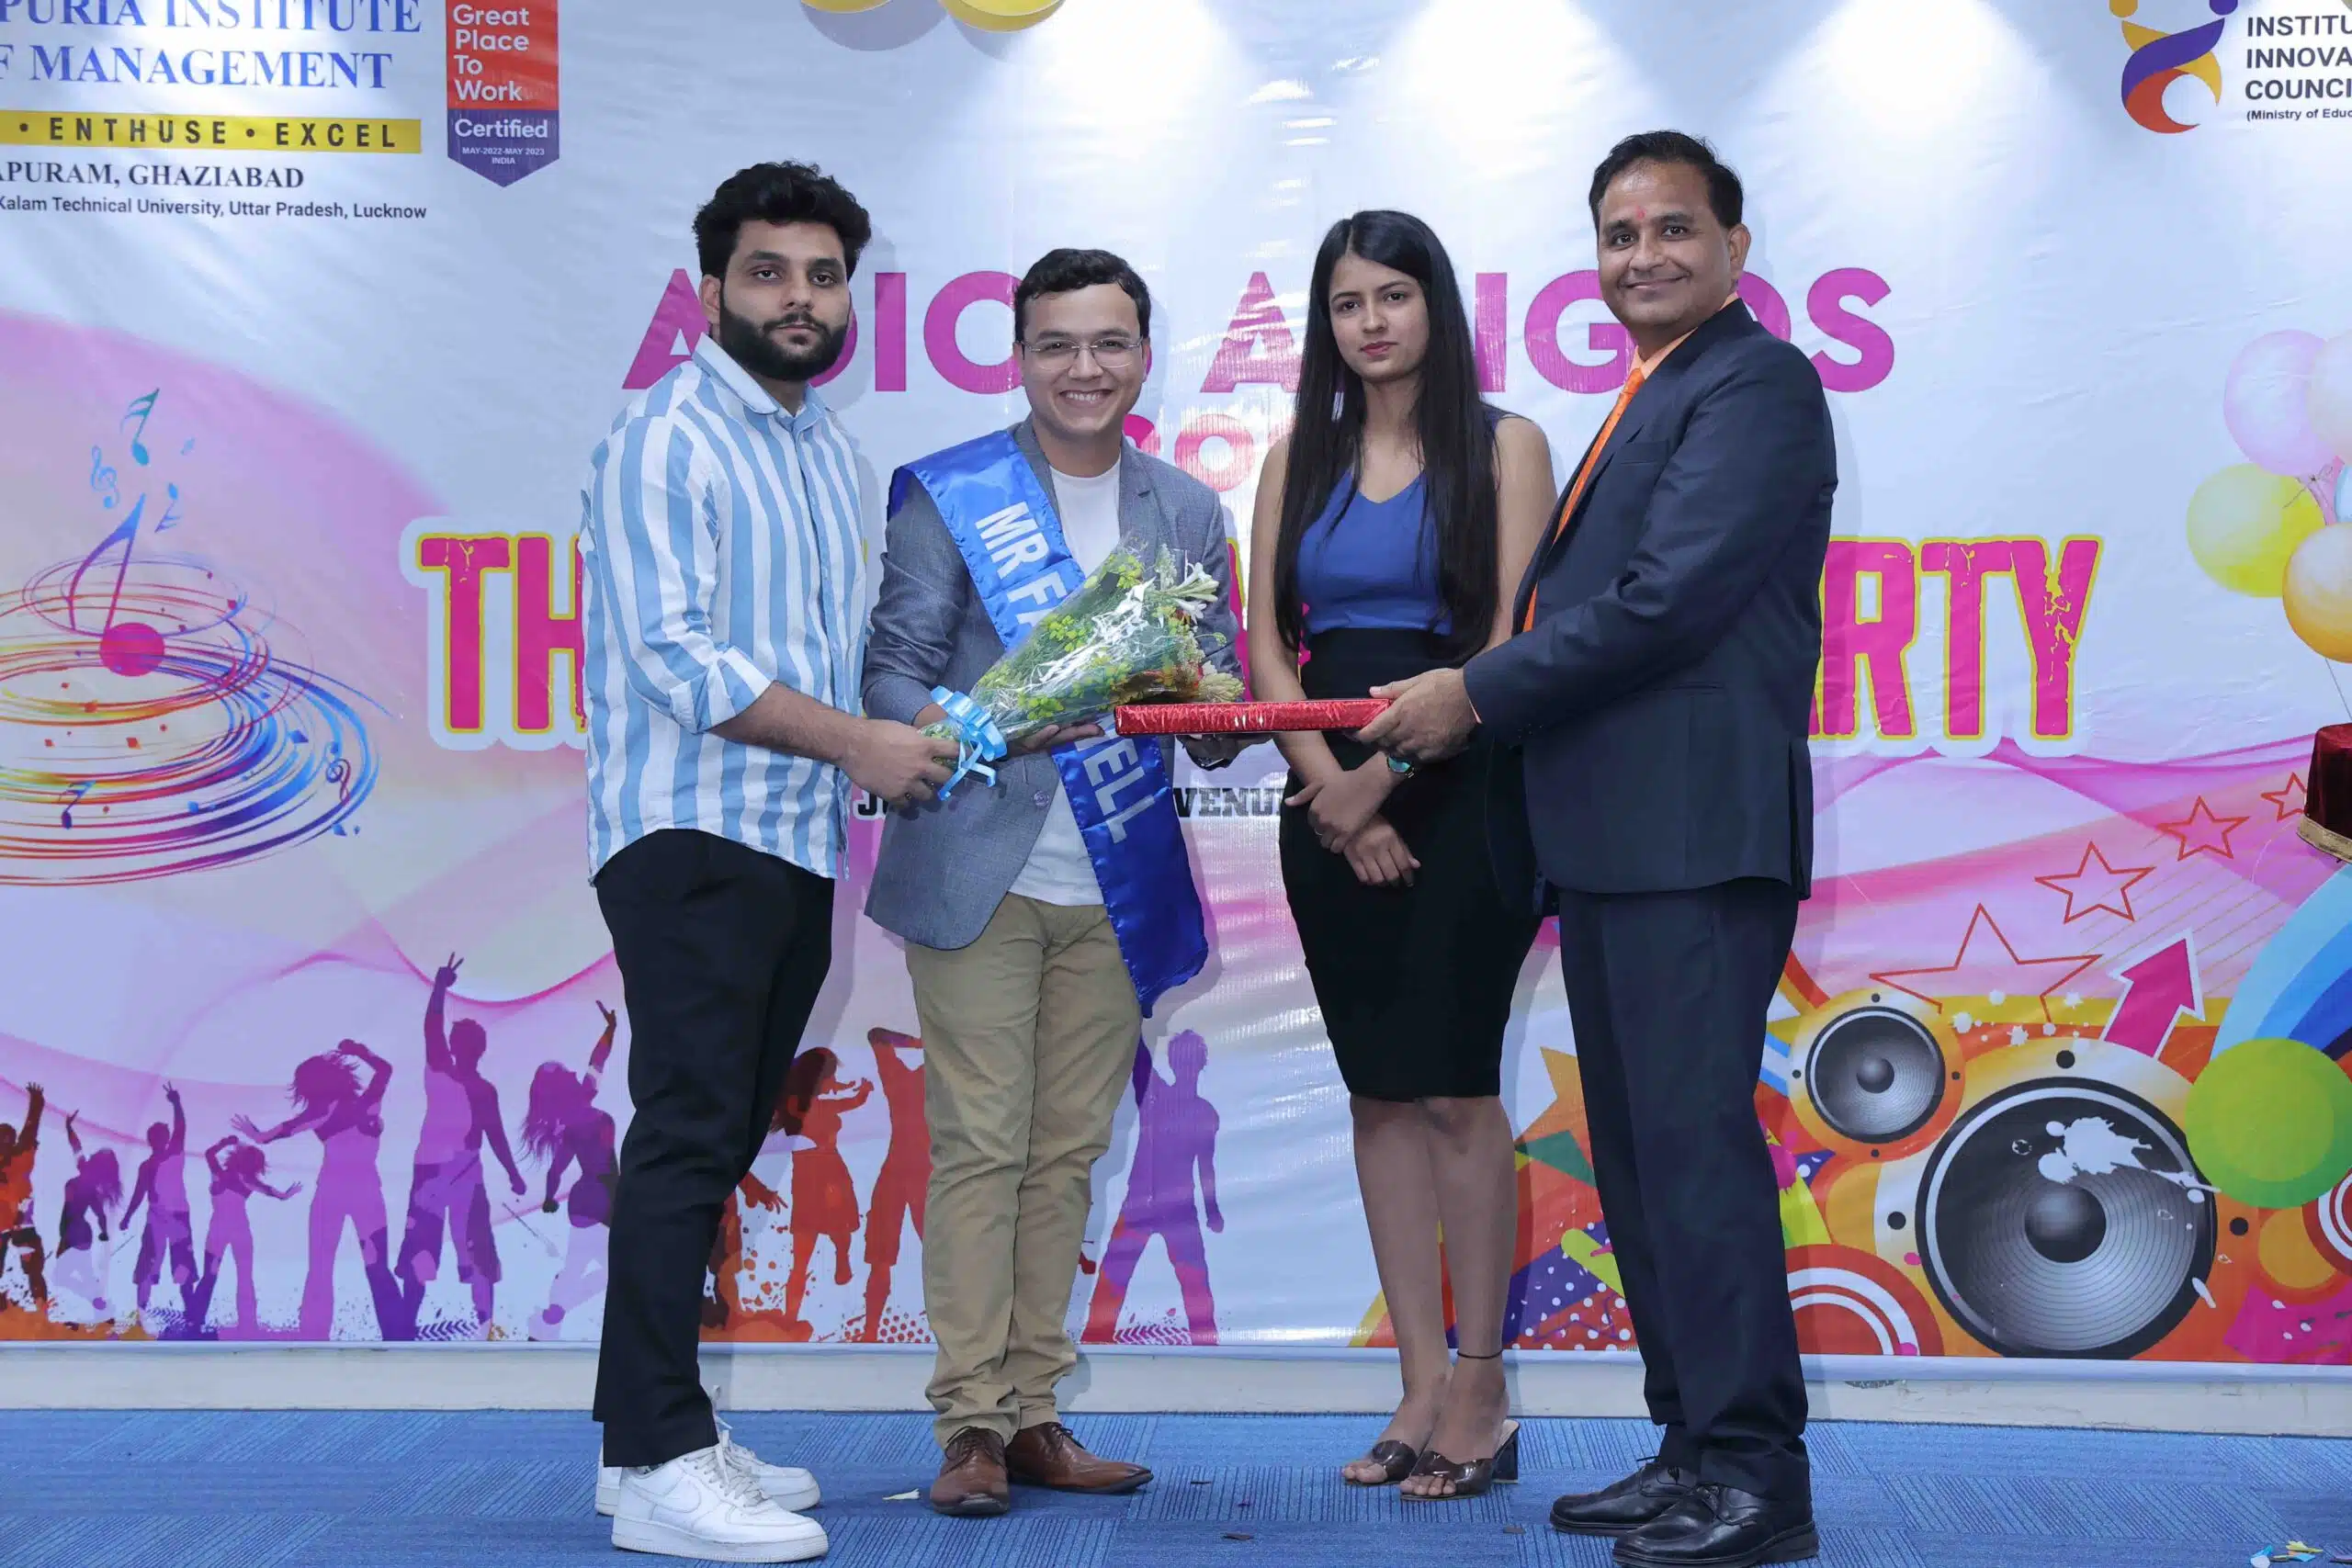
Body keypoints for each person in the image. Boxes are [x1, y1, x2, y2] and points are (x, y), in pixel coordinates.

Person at [1363, 131, 1834, 1568]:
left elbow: (1665, 600)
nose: (1644, 256)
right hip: (1624, 839)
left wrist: (1473, 691)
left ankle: (1755, 1474)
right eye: (1619, 235)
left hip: (1693, 835)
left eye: (1673, 228)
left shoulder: (1756, 382)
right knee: (1640, 1160)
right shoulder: (1658, 390)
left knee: (1692, 1157)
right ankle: (1691, 1445)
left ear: (1735, 247)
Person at [579, 159, 956, 1565]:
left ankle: (645, 1434)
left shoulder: (823, 453)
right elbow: (677, 659)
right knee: (688, 1129)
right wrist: (862, 743)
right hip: (689, 829)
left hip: (794, 838)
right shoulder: (664, 436)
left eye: (821, 275)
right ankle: (662, 1456)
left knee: (718, 1132)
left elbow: (839, 657)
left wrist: (933, 725)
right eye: (767, 272)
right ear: (709, 289)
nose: (798, 298)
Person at [863, 246, 1244, 1517]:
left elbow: (1211, 689)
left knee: (1068, 1150)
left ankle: (1034, 1413)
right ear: (1020, 357)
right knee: (983, 1143)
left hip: (1114, 881)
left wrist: (1211, 709)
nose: (1085, 368)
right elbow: (890, 673)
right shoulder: (954, 492)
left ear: (1145, 356)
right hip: (980, 866)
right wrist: (975, 722)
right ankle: (969, 1419)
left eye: (1109, 343)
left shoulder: (1185, 509)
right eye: (1058, 345)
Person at [1248, 209, 1555, 1501]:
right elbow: (1267, 648)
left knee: (1454, 1092)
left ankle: (1481, 1386)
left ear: (1436, 305)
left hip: (1462, 791)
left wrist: (1383, 780)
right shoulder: (1294, 458)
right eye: (1346, 302)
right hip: (1322, 797)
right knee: (1378, 1091)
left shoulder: (1508, 444)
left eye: (1393, 295)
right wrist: (1333, 789)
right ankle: (1418, 1383)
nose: (1370, 322)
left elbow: (1511, 639)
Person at [394, 954, 526, 1338]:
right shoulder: (454, 1076)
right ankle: (477, 1325)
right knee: (451, 1248)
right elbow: (496, 1136)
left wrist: (439, 987)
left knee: (445, 1248)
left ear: (461, 1047)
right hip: (449, 1172)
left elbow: (495, 1134)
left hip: (449, 1172)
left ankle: (457, 1324)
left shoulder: (456, 1077)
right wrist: (513, 1175)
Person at [234, 1042, 404, 1340]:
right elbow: (385, 1069)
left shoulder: (323, 1111)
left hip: (334, 1192)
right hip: (364, 1190)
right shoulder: (368, 1102)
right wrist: (360, 1052)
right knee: (375, 1267)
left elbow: (281, 1130)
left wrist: (258, 1136)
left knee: (322, 1267)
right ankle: (396, 1335)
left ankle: (314, 1334)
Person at [1080, 1031, 1223, 1347]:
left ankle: (1206, 1344)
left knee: (1194, 1282)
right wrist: (1136, 1016)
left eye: (1191, 1059)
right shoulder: (1154, 1094)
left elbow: (1206, 1166)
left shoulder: (1203, 1113)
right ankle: (1096, 1338)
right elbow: (1139, 1059)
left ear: (1200, 1064)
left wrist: (1212, 1210)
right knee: (1115, 1275)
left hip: (1176, 1208)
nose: (1186, 1065)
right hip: (1141, 1205)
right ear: (1173, 1062)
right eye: (1182, 1058)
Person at [523, 1000, 619, 1345]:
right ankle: (550, 1319)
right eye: (565, 1073)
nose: (572, 1073)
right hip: (599, 1200)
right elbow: (556, 1169)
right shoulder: (574, 1122)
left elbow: (597, 1061)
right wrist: (549, 1197)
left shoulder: (581, 1104)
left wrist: (610, 1030)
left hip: (591, 1202)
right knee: (613, 1269)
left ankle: (548, 1322)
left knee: (581, 1267)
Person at [774, 1047, 873, 1334]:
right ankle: (790, 1317)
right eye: (829, 1076)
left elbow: (847, 1099)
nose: (832, 1082)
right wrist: (857, 1091)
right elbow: (848, 1101)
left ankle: (841, 1257)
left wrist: (846, 1088)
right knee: (807, 1248)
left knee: (833, 1229)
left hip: (821, 1173)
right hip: (819, 1175)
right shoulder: (804, 1105)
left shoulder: (802, 1102)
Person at [187, 1136, 302, 1337]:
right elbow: (274, 1193)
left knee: (212, 1276)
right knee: (242, 1276)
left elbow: (209, 1154)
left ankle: (195, 1321)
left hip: (220, 1230)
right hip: (237, 1230)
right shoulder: (246, 1181)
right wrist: (286, 1195)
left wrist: (225, 1143)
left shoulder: (221, 1174)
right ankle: (245, 1323)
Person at [858, 1029, 927, 1343]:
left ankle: (870, 1331)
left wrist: (918, 1043)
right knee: (884, 1257)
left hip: (904, 1171)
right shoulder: (931, 1083)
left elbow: (877, 1036)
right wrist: (923, 1043)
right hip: (914, 1172)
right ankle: (870, 1331)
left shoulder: (899, 1079)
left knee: (882, 1258)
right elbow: (876, 1036)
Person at [120, 1081, 199, 1328]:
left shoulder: (174, 1153)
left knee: (182, 1264)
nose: (159, 1139)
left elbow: (181, 1128)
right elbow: (139, 1193)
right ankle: (142, 1313)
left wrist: (176, 1103)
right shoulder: (147, 1165)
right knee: (149, 1264)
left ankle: (190, 1313)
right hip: (158, 1217)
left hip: (177, 1216)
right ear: (151, 1140)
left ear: (164, 1139)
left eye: (161, 1136)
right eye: (155, 1136)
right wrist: (127, 1216)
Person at [52, 1110, 122, 1323]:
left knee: (61, 1277)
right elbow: (76, 1146)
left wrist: (104, 1233)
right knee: (79, 1277)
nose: (89, 1156)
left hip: (75, 1234)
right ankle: (102, 1308)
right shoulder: (85, 1174)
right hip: (75, 1233)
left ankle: (100, 1306)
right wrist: (68, 1127)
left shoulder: (89, 1185)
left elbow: (100, 1215)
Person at [0, 1084, 51, 1313]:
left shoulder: (21, 1156)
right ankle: (40, 1305)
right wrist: (36, 1103)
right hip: (17, 1222)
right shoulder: (21, 1155)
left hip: (15, 1222)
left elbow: (30, 1130)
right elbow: (30, 1130)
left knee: (33, 1268)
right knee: (32, 1269)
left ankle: (40, 1305)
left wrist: (37, 1103)